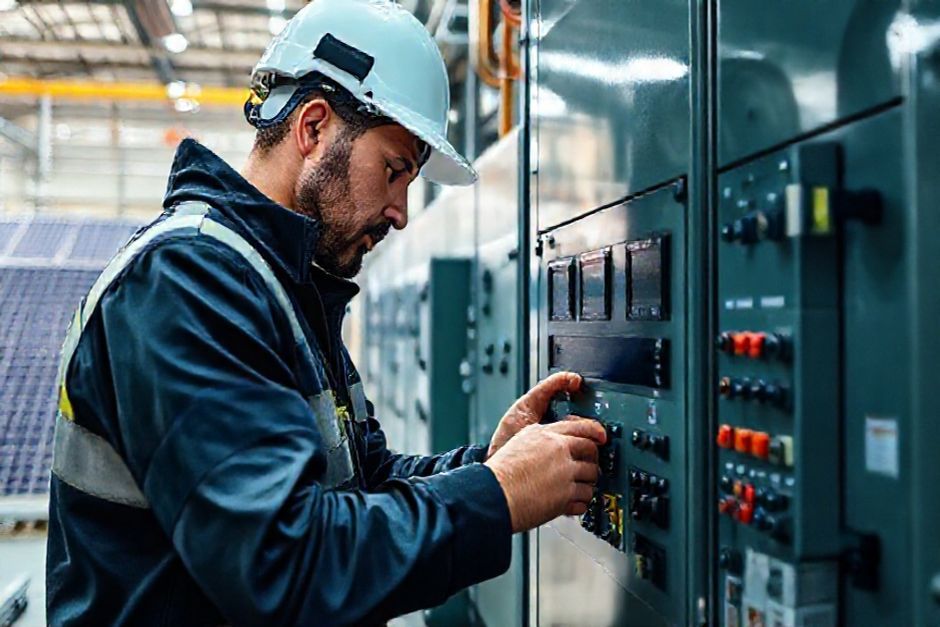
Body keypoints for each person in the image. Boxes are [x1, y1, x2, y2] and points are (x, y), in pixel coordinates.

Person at [45, 0, 606, 624]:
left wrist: (489, 463)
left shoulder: (282, 287)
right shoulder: (185, 283)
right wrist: (497, 495)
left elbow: (361, 482)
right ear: (312, 128)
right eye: (393, 171)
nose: (399, 211)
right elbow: (285, 562)